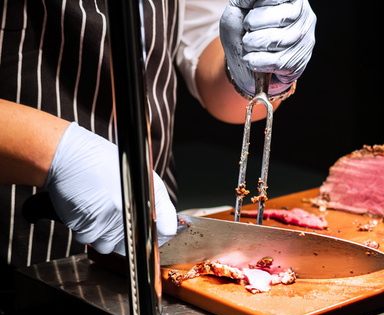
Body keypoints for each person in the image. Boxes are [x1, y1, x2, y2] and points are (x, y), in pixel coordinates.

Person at [0, 1, 317, 299]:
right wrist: (59, 155)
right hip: (23, 245)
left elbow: (210, 63)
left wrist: (258, 67)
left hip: (158, 243)